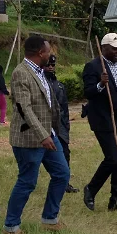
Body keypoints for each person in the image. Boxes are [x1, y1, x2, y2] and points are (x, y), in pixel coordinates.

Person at [3, 36, 70, 234]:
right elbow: (24, 108)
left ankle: (50, 219)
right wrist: (42, 135)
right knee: (27, 181)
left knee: (62, 174)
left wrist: (54, 131)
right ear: (40, 53)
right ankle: (11, 226)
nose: (51, 54)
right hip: (29, 139)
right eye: (48, 51)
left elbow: (48, 103)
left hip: (49, 135)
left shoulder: (40, 72)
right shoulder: (21, 73)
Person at [82, 32, 117, 213]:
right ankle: (91, 189)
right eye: (115, 48)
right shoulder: (93, 66)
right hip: (104, 119)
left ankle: (116, 200)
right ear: (104, 48)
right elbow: (88, 92)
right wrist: (100, 85)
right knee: (112, 158)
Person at [43, 54, 79, 193]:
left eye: (53, 65)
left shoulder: (59, 85)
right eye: (48, 65)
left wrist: (66, 125)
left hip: (61, 126)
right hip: (45, 125)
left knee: (65, 153)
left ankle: (65, 183)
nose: (51, 67)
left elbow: (64, 107)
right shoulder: (40, 83)